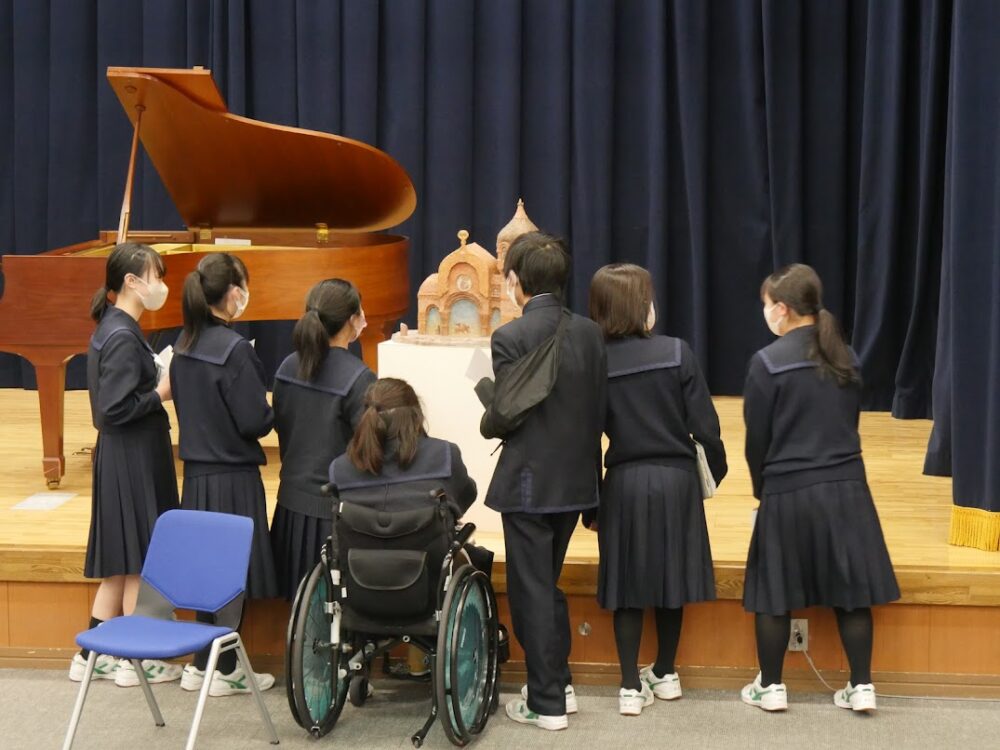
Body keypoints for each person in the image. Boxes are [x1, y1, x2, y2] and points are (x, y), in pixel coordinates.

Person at [741, 263, 899, 713]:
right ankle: (862, 685)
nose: (766, 313)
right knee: (853, 590)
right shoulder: (846, 356)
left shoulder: (766, 363)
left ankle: (770, 687)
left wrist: (762, 491)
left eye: (768, 306)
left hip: (788, 489)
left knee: (775, 591)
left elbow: (758, 441)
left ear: (784, 310)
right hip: (847, 487)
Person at [477, 232, 606, 731]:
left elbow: (509, 414)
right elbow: (598, 414)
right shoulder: (592, 335)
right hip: (576, 482)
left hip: (530, 484)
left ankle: (547, 702)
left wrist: (489, 397)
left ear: (515, 281)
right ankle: (560, 682)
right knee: (544, 585)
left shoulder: (510, 338)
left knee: (532, 589)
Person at [587, 263, 727, 715]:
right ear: (639, 305)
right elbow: (706, 426)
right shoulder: (677, 352)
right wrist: (713, 475)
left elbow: (587, 437)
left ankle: (630, 685)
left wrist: (592, 499)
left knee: (626, 584)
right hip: (676, 480)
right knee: (672, 580)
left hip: (624, 481)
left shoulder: (596, 361)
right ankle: (666, 672)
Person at [72, 243, 181, 687]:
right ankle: (137, 659)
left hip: (125, 454)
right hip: (131, 454)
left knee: (120, 561)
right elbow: (112, 411)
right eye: (155, 275)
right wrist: (161, 392)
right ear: (132, 282)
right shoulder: (120, 335)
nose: (161, 285)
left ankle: (90, 654)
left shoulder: (117, 327)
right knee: (138, 558)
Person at [170, 252, 278, 696]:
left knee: (202, 571)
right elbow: (254, 422)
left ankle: (201, 662)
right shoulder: (234, 351)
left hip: (195, 475)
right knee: (234, 573)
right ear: (234, 293)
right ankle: (227, 667)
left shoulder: (183, 344)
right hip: (233, 477)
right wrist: (277, 411)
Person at [271, 279, 375, 601]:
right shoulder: (359, 378)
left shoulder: (288, 366)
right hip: (333, 520)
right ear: (351, 321)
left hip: (288, 509)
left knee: (299, 617)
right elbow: (368, 452)